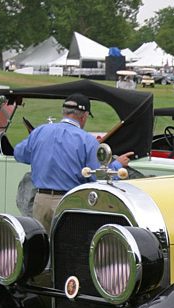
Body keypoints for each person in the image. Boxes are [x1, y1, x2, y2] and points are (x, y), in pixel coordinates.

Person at [13, 93, 134, 231]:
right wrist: (118, 164)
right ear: (84, 116)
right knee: (69, 248)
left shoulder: (40, 132)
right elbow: (99, 176)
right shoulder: (87, 141)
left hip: (41, 201)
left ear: (63, 112)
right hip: (69, 203)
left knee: (41, 247)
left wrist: (40, 155)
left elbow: (19, 154)